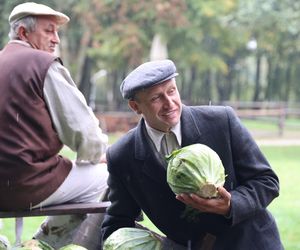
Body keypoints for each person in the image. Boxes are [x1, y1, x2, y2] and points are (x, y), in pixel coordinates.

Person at [101, 59, 284, 249]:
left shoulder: (222, 121)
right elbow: (118, 220)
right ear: (135, 107)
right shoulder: (121, 155)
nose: (169, 103)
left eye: (171, 91)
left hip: (251, 243)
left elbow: (266, 181)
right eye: (156, 98)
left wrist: (232, 205)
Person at [0, 2, 108, 247]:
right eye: (48, 31)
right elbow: (84, 132)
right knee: (108, 176)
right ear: (23, 33)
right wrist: (95, 156)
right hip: (26, 183)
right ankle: (46, 242)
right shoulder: (42, 65)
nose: (56, 39)